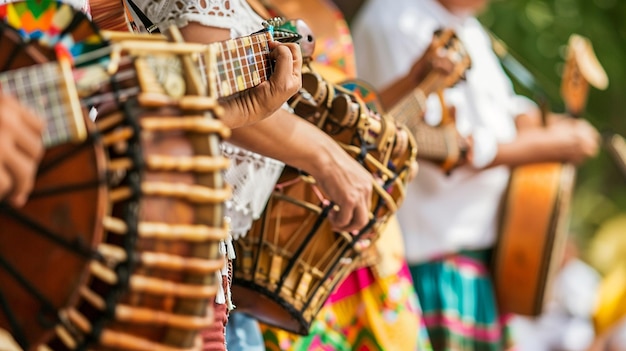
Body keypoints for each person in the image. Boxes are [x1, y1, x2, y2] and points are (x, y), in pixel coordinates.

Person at [101, 1, 375, 350]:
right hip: (149, 251)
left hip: (210, 263)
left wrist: (244, 110)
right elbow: (193, 90)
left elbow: (175, 100)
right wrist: (324, 156)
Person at [352, 0, 601, 349]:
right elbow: (422, 141)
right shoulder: (394, 19)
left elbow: (501, 115)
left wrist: (552, 129)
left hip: (477, 263)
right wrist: (546, 147)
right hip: (429, 268)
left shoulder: (465, 26)